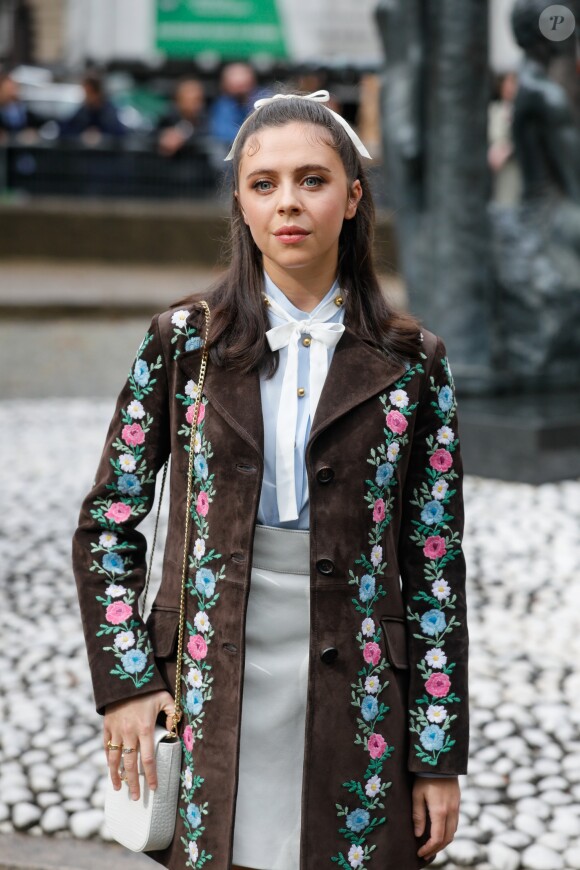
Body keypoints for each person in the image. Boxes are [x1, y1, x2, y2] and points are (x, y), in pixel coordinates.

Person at [72, 91, 469, 870]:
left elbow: (434, 567)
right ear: (241, 203)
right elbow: (109, 521)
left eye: (313, 180)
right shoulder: (181, 343)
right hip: (204, 685)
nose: (288, 202)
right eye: (264, 183)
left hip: (359, 699)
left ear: (353, 197)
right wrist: (124, 681)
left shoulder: (414, 363)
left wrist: (436, 754)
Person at [59, 70, 127, 142]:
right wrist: (82, 135)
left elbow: (119, 135)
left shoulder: (109, 113)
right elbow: (65, 130)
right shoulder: (83, 111)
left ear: (97, 93)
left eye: (88, 93)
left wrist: (101, 136)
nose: (86, 97)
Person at [209, 62, 259, 152]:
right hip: (232, 151)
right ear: (225, 85)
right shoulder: (222, 105)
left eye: (244, 85)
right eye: (237, 85)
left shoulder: (261, 101)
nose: (241, 90)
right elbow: (223, 133)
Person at [156, 77, 208, 158]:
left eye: (198, 99)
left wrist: (183, 138)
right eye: (191, 100)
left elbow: (208, 137)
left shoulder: (204, 119)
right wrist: (164, 136)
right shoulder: (168, 118)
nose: (195, 105)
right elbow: (153, 134)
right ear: (178, 99)